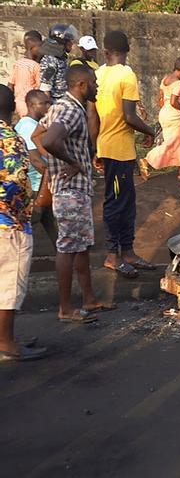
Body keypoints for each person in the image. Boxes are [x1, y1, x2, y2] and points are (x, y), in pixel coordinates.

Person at [33, 65, 114, 323]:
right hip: (70, 191)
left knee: (80, 246)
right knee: (68, 247)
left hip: (73, 189)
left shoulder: (62, 106)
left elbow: (37, 135)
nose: (97, 87)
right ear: (81, 85)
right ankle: (65, 308)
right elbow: (48, 141)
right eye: (93, 83)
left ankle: (89, 300)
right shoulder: (69, 109)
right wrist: (73, 163)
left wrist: (52, 165)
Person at [94, 31, 156, 278]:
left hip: (108, 147)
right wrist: (150, 130)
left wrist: (94, 147)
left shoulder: (98, 74)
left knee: (127, 202)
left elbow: (93, 116)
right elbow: (129, 116)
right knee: (117, 203)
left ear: (106, 51)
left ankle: (128, 252)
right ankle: (112, 256)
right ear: (127, 50)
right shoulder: (126, 74)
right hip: (118, 150)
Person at [0, 84, 49, 361]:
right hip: (9, 223)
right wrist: (22, 212)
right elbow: (17, 182)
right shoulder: (11, 137)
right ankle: (6, 342)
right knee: (8, 285)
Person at [15, 90, 56, 245]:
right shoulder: (27, 126)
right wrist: (55, 176)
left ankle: (68, 256)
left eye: (48, 102)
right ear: (31, 105)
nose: (47, 106)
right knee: (29, 223)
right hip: (36, 186)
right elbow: (35, 159)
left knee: (52, 223)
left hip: (41, 183)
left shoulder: (32, 125)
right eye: (43, 103)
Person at [145, 57, 180, 180]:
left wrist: (166, 111)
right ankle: (147, 160)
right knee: (173, 143)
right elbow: (174, 102)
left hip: (165, 113)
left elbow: (161, 99)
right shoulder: (178, 83)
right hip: (174, 115)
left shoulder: (165, 79)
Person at [8, 30, 42, 119]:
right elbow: (39, 87)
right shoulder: (36, 66)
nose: (41, 51)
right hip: (31, 104)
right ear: (31, 48)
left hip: (18, 104)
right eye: (39, 48)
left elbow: (10, 84)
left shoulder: (18, 63)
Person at [39, 24, 77, 102]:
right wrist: (49, 109)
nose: (71, 43)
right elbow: (45, 87)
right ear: (62, 42)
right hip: (56, 102)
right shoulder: (51, 61)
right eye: (69, 41)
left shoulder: (62, 57)